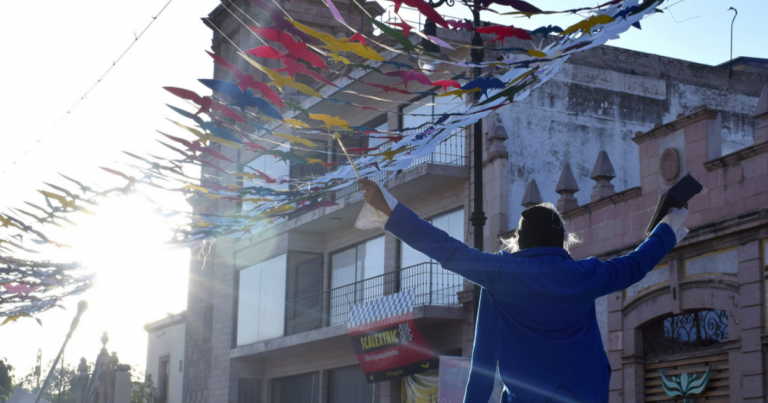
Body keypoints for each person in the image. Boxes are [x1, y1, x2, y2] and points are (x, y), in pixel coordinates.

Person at [356, 178, 689, 403]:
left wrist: (390, 209)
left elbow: (447, 250)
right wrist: (669, 227)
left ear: (520, 239)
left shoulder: (500, 275)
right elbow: (635, 264)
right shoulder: (587, 274)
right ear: (561, 240)